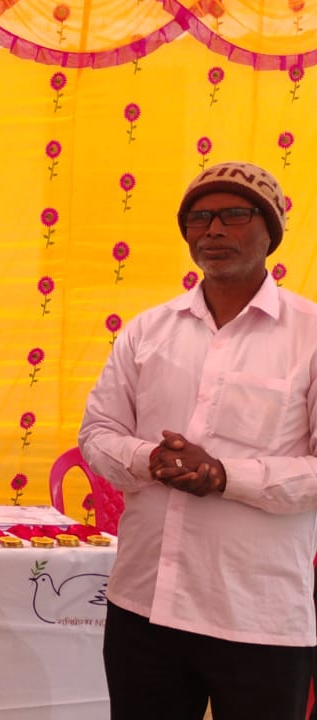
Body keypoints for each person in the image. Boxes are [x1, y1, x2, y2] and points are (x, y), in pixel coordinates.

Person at [79, 161, 317, 720]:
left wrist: (224, 475)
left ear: (271, 230)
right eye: (199, 219)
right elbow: (97, 432)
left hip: (258, 615)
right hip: (144, 605)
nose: (213, 230)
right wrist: (152, 459)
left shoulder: (309, 334)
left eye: (234, 215)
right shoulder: (147, 330)